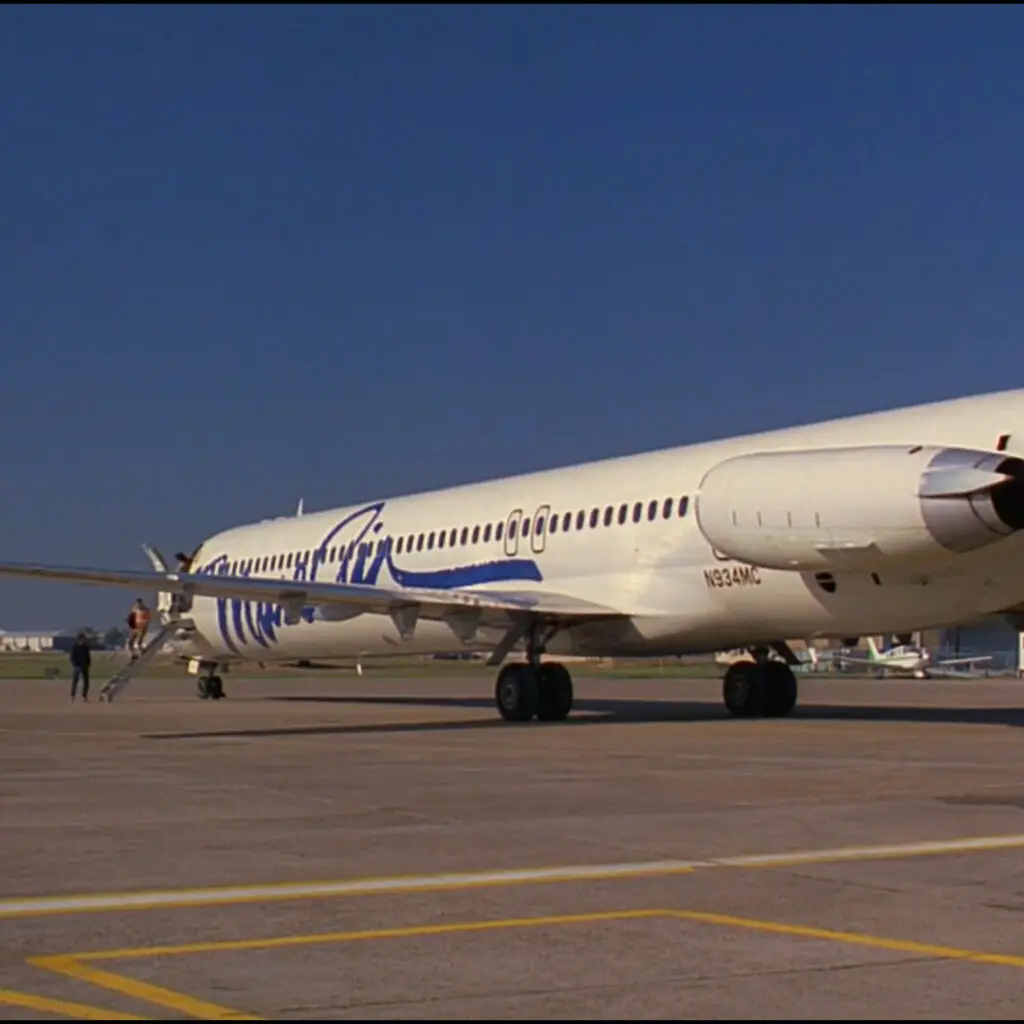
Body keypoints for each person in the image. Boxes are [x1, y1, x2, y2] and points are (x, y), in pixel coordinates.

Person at [70, 632, 91, 701]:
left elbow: (88, 656)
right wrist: (75, 664)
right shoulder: (75, 647)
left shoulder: (85, 647)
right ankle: (73, 695)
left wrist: (88, 663)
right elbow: (72, 657)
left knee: (86, 681)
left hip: (84, 666)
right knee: (75, 680)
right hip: (77, 666)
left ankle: (84, 695)